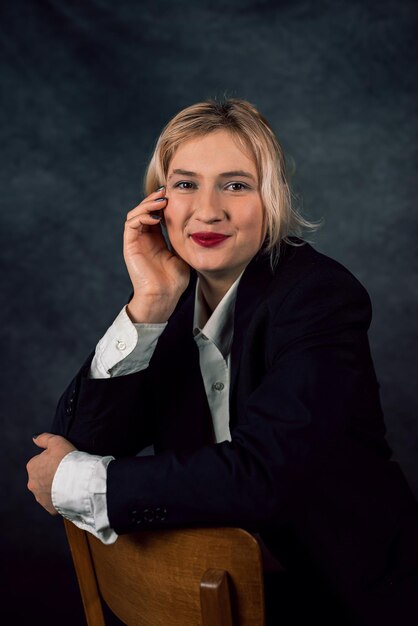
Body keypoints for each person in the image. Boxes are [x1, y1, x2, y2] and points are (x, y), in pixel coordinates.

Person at [27, 99, 418, 625]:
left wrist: (81, 483)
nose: (207, 211)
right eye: (186, 184)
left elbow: (262, 476)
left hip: (348, 594)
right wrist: (147, 306)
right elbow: (72, 444)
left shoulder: (319, 297)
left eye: (236, 185)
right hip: (218, 589)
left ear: (271, 199)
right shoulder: (169, 298)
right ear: (158, 199)